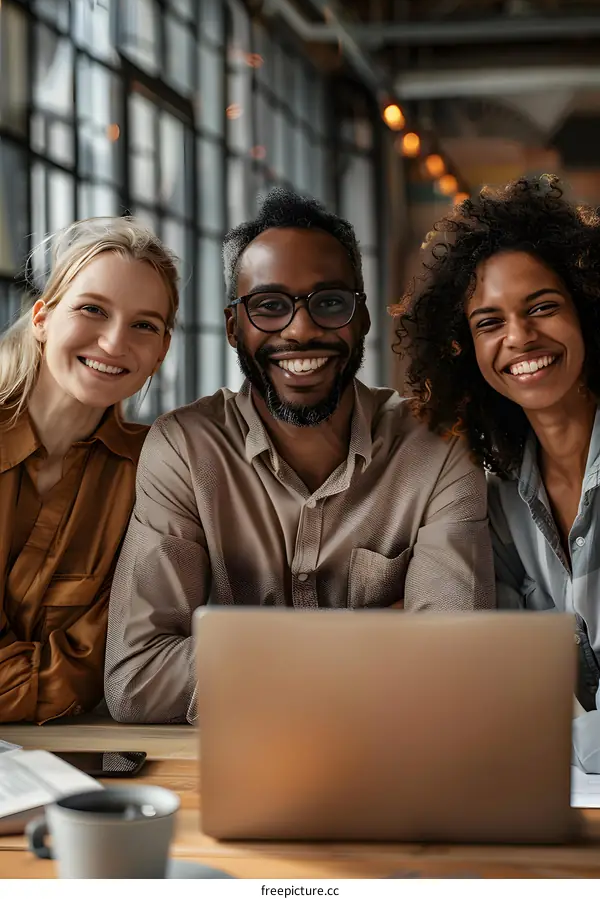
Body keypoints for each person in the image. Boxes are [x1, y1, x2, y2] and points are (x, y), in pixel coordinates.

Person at [105, 187, 494, 725]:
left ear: (362, 319)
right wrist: (381, 634)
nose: (301, 329)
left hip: (393, 768)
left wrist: (250, 659)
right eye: (269, 306)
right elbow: (137, 679)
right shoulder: (184, 447)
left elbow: (453, 665)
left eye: (329, 302)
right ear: (232, 327)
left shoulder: (439, 449)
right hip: (227, 772)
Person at [392, 174, 600, 768]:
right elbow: (511, 680)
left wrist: (541, 738)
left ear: (587, 313)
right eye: (489, 322)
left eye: (542, 307)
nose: (519, 337)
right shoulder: (501, 500)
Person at [0, 217, 178, 724]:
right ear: (41, 318)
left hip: (70, 752)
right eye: (92, 310)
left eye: (144, 325)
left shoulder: (156, 472)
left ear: (161, 351)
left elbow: (107, 660)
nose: (114, 343)